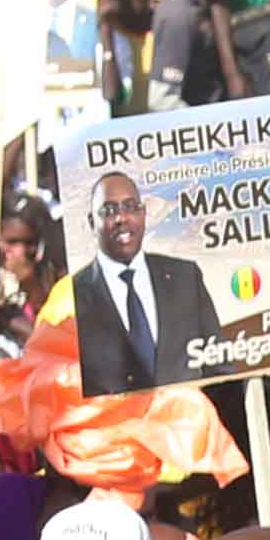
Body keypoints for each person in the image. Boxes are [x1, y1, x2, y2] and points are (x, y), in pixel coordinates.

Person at [67, 169, 216, 395]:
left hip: (188, 426)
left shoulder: (185, 277)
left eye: (130, 207)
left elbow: (218, 364)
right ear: (91, 221)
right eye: (109, 211)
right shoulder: (73, 296)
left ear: (144, 214)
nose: (121, 218)